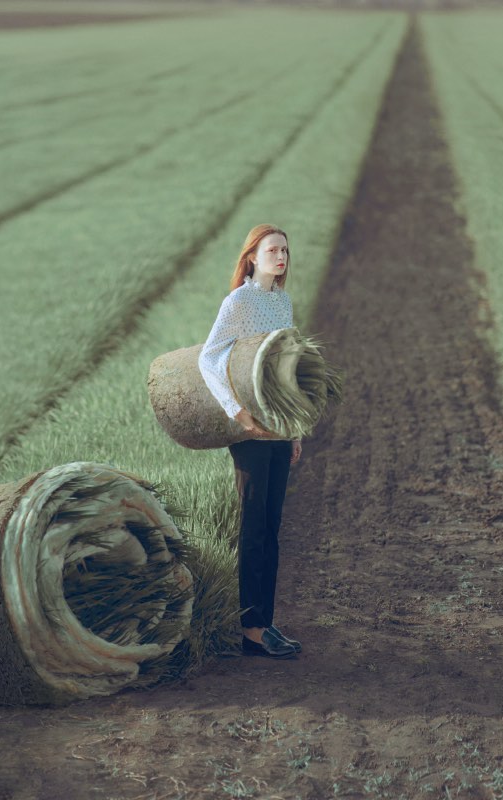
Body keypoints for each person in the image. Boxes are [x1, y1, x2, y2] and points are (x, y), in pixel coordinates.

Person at [198, 224, 303, 659]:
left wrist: (296, 429)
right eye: (272, 250)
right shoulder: (238, 302)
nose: (281, 257)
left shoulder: (283, 302)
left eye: (284, 250)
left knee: (273, 527)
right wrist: (237, 414)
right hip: (251, 431)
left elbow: (288, 368)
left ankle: (267, 622)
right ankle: (252, 632)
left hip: (279, 427)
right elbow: (210, 356)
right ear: (252, 258)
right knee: (254, 528)